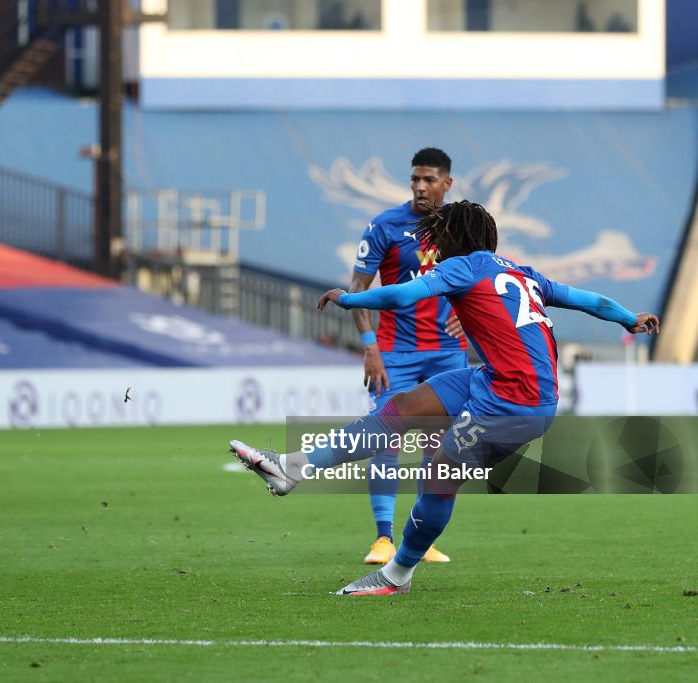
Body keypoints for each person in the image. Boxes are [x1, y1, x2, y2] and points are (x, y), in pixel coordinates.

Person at [230, 200, 659, 595]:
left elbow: (400, 295)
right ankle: (292, 469)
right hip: (494, 380)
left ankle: (396, 576)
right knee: (402, 407)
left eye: (440, 233)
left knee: (438, 476)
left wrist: (350, 299)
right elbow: (591, 300)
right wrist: (628, 319)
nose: (433, 243)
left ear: (458, 237)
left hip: (515, 402)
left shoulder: (465, 267)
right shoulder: (523, 272)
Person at [349, 147, 465, 565]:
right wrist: (369, 347)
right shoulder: (384, 226)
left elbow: (487, 281)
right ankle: (382, 538)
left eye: (429, 179)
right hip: (394, 353)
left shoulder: (463, 228)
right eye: (415, 178)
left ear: (447, 183)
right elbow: (358, 288)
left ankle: (421, 538)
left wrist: (470, 324)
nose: (420, 186)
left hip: (448, 354)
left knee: (439, 446)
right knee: (386, 435)